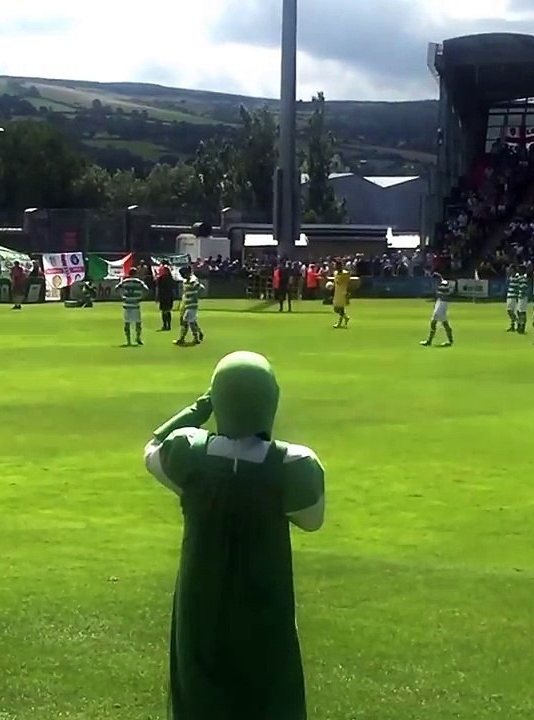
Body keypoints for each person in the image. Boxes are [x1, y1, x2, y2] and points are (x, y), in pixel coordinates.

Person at [143, 351, 324, 720]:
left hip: (200, 600)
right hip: (264, 600)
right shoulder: (295, 465)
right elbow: (311, 520)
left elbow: (152, 447)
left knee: (198, 691)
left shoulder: (187, 454)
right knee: (268, 688)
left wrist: (200, 407)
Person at [116, 267, 149, 346]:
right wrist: (141, 297)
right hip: (135, 304)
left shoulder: (125, 281)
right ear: (136, 273)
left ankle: (128, 341)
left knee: (127, 323)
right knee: (138, 323)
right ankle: (138, 338)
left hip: (127, 304)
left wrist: (122, 296)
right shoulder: (138, 282)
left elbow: (116, 288)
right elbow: (146, 289)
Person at [421, 272, 454, 347]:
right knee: (445, 323)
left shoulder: (443, 283)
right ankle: (450, 340)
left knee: (434, 322)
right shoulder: (442, 283)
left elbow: (444, 294)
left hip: (442, 304)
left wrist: (436, 299)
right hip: (441, 303)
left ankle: (429, 341)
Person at [176, 266, 205, 345]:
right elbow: (185, 293)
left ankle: (183, 339)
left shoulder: (193, 280)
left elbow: (200, 287)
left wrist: (197, 290)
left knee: (186, 322)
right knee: (191, 321)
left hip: (192, 304)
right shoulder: (185, 280)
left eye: (183, 274)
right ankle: (198, 335)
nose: (182, 276)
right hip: (186, 303)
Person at [329, 262, 355, 329]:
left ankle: (340, 323)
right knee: (337, 308)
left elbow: (348, 283)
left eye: (337, 266)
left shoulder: (345, 273)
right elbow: (335, 282)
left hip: (343, 292)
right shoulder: (335, 273)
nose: (335, 267)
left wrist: (348, 292)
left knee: (339, 308)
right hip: (337, 292)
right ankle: (345, 318)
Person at [505, 266, 529, 334]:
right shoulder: (516, 277)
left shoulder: (520, 277)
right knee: (518, 312)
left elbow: (523, 287)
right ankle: (517, 325)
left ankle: (521, 326)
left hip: (518, 296)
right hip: (517, 296)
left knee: (521, 312)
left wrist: (521, 294)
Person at [156, 263, 176, 331]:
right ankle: (166, 325)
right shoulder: (165, 278)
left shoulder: (165, 278)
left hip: (166, 296)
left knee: (166, 311)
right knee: (165, 311)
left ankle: (167, 325)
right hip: (166, 296)